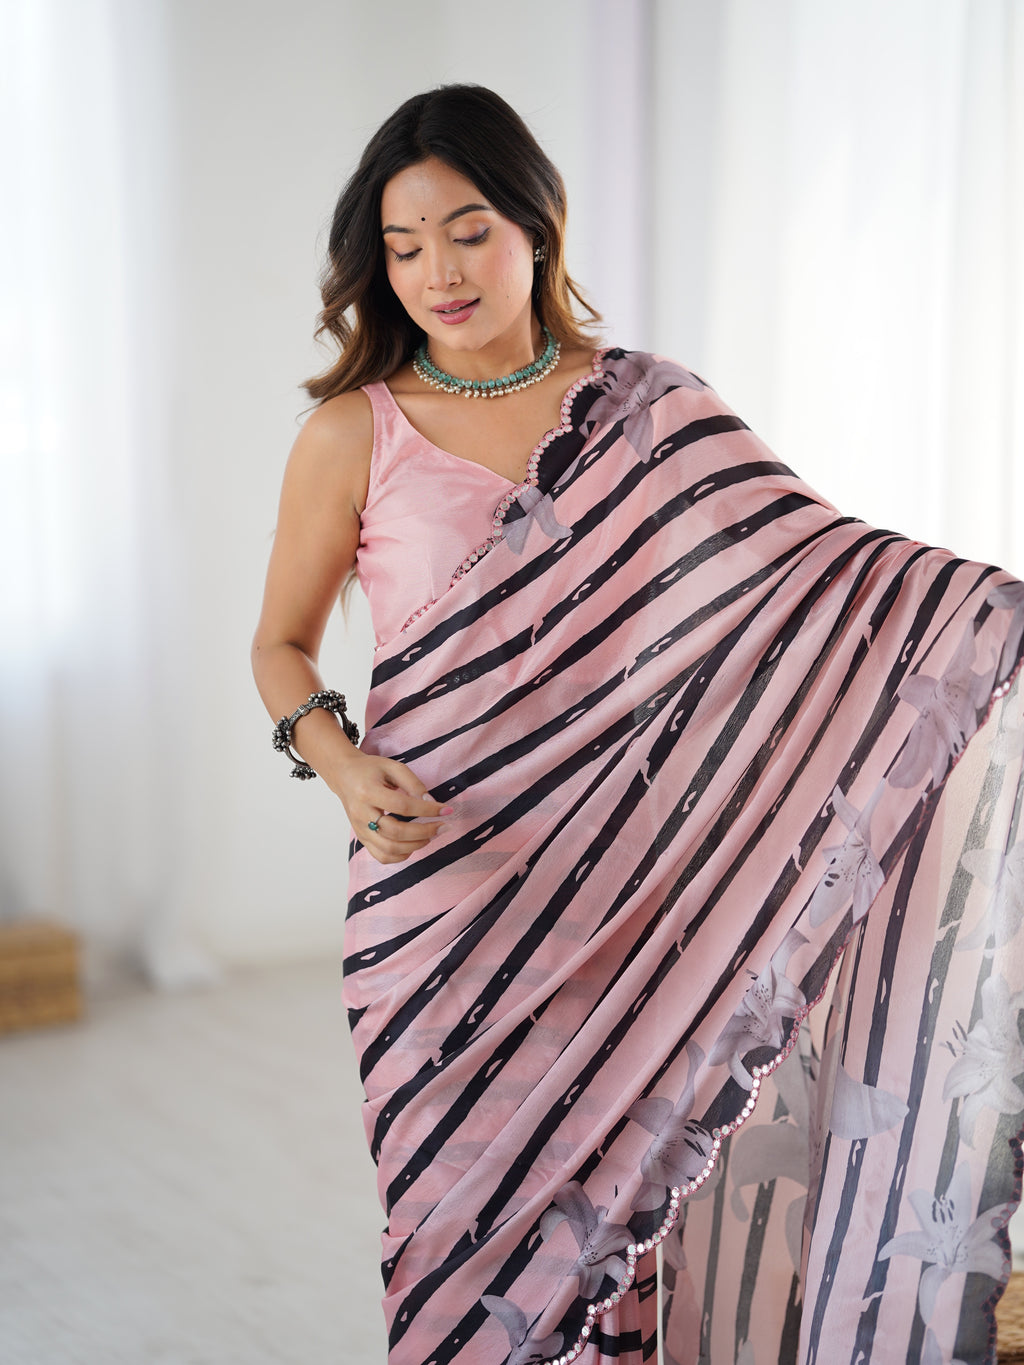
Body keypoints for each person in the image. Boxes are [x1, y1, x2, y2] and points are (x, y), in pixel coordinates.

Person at [252, 85, 1024, 1365]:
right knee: (454, 1227)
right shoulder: (354, 432)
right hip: (439, 889)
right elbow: (279, 645)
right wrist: (339, 764)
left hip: (631, 889)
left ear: (535, 227)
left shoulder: (651, 408)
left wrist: (988, 617)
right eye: (403, 247)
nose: (439, 272)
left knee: (626, 1219)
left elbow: (817, 582)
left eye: (468, 231)